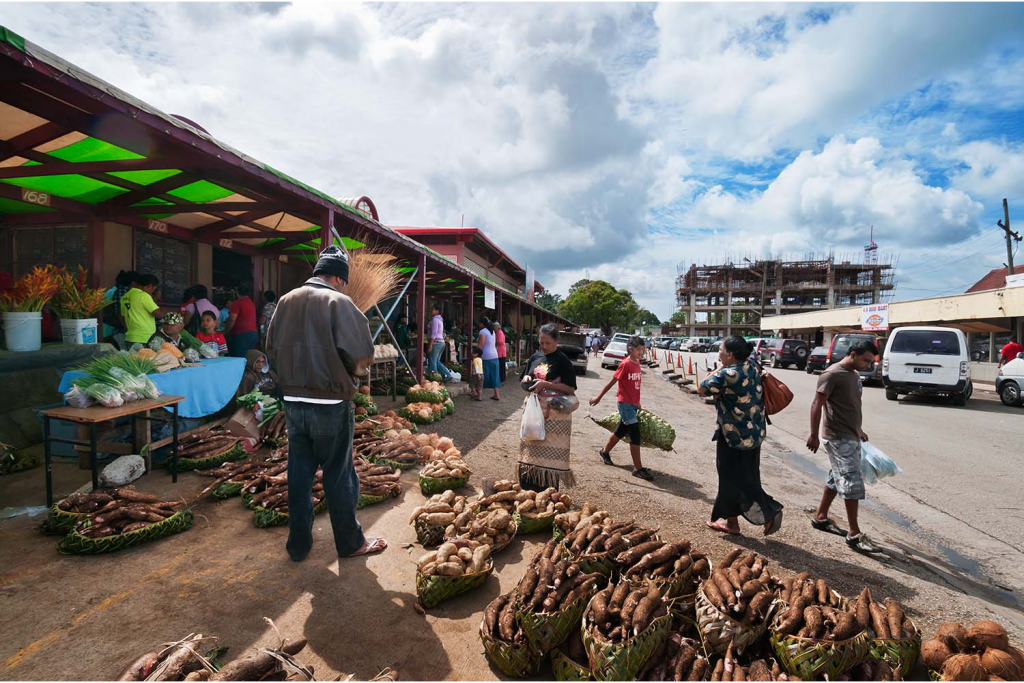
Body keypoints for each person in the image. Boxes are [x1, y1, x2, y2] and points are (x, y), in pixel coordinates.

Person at [265, 245, 383, 561]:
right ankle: (350, 542)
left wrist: (289, 380)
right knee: (338, 474)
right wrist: (353, 378)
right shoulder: (338, 302)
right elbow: (361, 354)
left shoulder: (285, 301)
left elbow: (271, 348)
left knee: (299, 474)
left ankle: (298, 546)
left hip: (293, 403)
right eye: (343, 281)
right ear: (337, 278)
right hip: (330, 403)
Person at [697, 336, 783, 536]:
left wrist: (718, 369)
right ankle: (732, 523)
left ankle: (769, 512)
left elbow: (701, 389)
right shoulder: (752, 365)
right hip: (755, 433)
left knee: (732, 479)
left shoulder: (728, 374)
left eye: (720, 349)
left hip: (733, 437)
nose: (718, 353)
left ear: (729, 354)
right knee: (747, 476)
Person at [806, 340, 881, 553]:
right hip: (837, 438)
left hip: (851, 435)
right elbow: (816, 404)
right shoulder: (832, 374)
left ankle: (821, 517)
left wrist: (859, 430)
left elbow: (850, 405)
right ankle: (854, 535)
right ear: (853, 354)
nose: (868, 365)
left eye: (871, 361)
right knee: (852, 483)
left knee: (835, 478)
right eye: (866, 360)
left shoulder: (855, 375)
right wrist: (813, 434)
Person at [518, 323, 579, 490]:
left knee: (549, 454)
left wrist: (546, 384)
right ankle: (527, 487)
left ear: (556, 341)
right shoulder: (535, 357)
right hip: (533, 411)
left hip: (554, 416)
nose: (544, 346)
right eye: (541, 343)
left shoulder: (562, 360)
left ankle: (547, 492)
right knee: (530, 445)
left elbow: (570, 388)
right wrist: (526, 380)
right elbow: (525, 377)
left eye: (548, 343)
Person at [590, 336, 655, 481]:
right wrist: (598, 398)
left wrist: (638, 403)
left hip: (632, 404)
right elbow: (612, 382)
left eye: (642, 349)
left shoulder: (637, 363)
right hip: (624, 404)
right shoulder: (625, 364)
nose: (641, 352)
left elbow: (635, 386)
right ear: (630, 349)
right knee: (635, 435)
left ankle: (605, 451)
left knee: (621, 430)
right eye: (638, 349)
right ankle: (638, 469)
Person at [121, 274, 164, 346]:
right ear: (149, 286)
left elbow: (122, 316)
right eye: (153, 290)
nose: (152, 293)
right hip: (145, 337)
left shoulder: (124, 297)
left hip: (130, 336)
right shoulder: (143, 296)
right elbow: (160, 315)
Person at [103, 270, 138, 349]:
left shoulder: (110, 291)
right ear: (132, 282)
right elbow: (120, 313)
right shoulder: (120, 292)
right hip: (113, 328)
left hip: (107, 327)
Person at [225, 283, 258, 358]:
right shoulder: (251, 303)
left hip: (241, 335)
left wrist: (226, 331)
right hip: (253, 334)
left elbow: (232, 319)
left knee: (239, 358)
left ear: (237, 293)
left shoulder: (237, 303)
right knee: (248, 358)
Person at [426, 304, 454, 382]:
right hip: (441, 343)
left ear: (437, 311)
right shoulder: (439, 319)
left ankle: (433, 380)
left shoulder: (435, 320)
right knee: (436, 361)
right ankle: (448, 375)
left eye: (433, 309)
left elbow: (434, 333)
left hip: (436, 343)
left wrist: (430, 345)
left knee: (432, 361)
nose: (431, 310)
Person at [477, 317, 501, 400]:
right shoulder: (492, 332)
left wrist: (475, 354)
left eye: (479, 323)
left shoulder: (482, 332)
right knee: (495, 376)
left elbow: (481, 344)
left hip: (485, 356)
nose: (478, 324)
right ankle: (496, 394)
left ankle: (479, 395)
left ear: (482, 324)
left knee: (481, 376)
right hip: (495, 355)